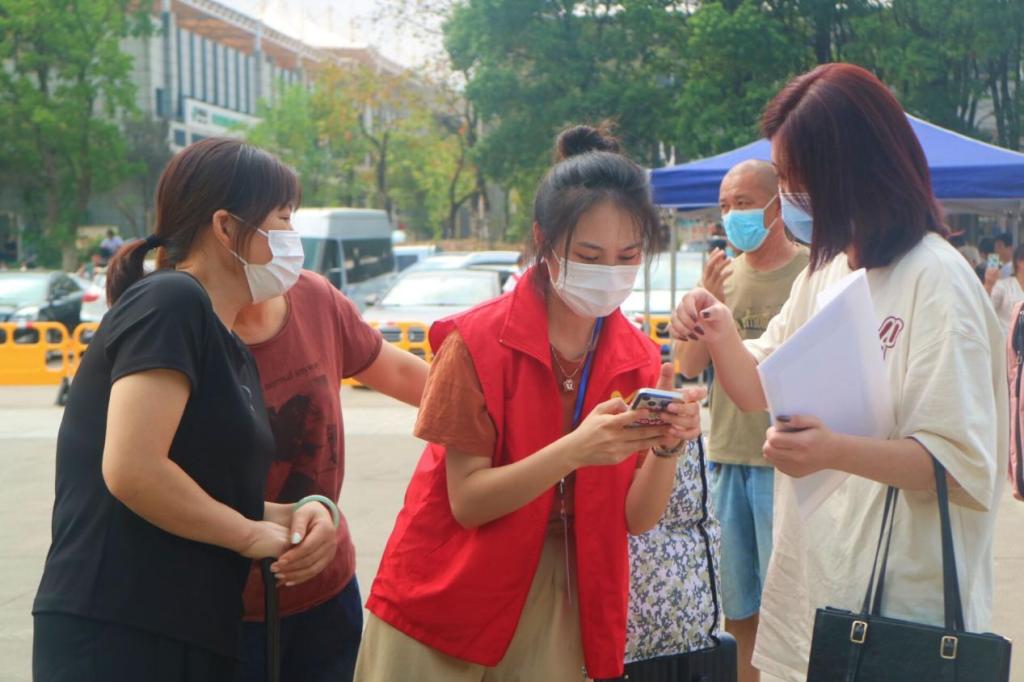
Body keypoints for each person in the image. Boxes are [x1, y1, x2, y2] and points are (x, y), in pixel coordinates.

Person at [671, 63, 1005, 681]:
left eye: (795, 179)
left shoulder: (937, 282)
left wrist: (832, 451)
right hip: (822, 586)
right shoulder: (829, 272)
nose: (789, 197)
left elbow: (960, 464)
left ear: (850, 171)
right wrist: (715, 325)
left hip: (902, 608)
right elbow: (755, 387)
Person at [354, 125, 705, 681]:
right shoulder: (474, 341)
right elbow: (468, 502)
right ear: (545, 241)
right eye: (589, 255)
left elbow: (636, 519)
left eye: (628, 255)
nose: (609, 271)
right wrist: (575, 451)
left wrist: (669, 447)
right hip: (447, 587)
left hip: (560, 595)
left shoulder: (636, 356)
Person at [33, 138, 338, 682]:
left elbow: (208, 492)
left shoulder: (227, 343)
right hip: (121, 628)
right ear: (225, 227)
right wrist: (249, 536)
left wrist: (297, 515)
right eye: (283, 218)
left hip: (192, 626)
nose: (292, 238)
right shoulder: (171, 301)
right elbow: (133, 469)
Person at [233, 267, 430, 681]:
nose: (288, 240)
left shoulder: (314, 297)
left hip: (326, 599)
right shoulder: (179, 321)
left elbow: (399, 373)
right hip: (220, 613)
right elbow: (146, 476)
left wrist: (498, 415)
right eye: (278, 228)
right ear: (223, 233)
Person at [676, 159, 809, 682]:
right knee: (737, 606)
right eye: (726, 206)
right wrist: (708, 302)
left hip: (787, 463)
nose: (734, 216)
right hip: (728, 456)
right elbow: (688, 368)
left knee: (790, 606)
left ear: (777, 206)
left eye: (745, 203)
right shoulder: (722, 277)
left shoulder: (809, 273)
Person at [990, 244, 1024, 335]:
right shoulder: (1002, 286)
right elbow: (987, 308)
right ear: (1020, 262)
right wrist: (989, 285)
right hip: (1005, 340)